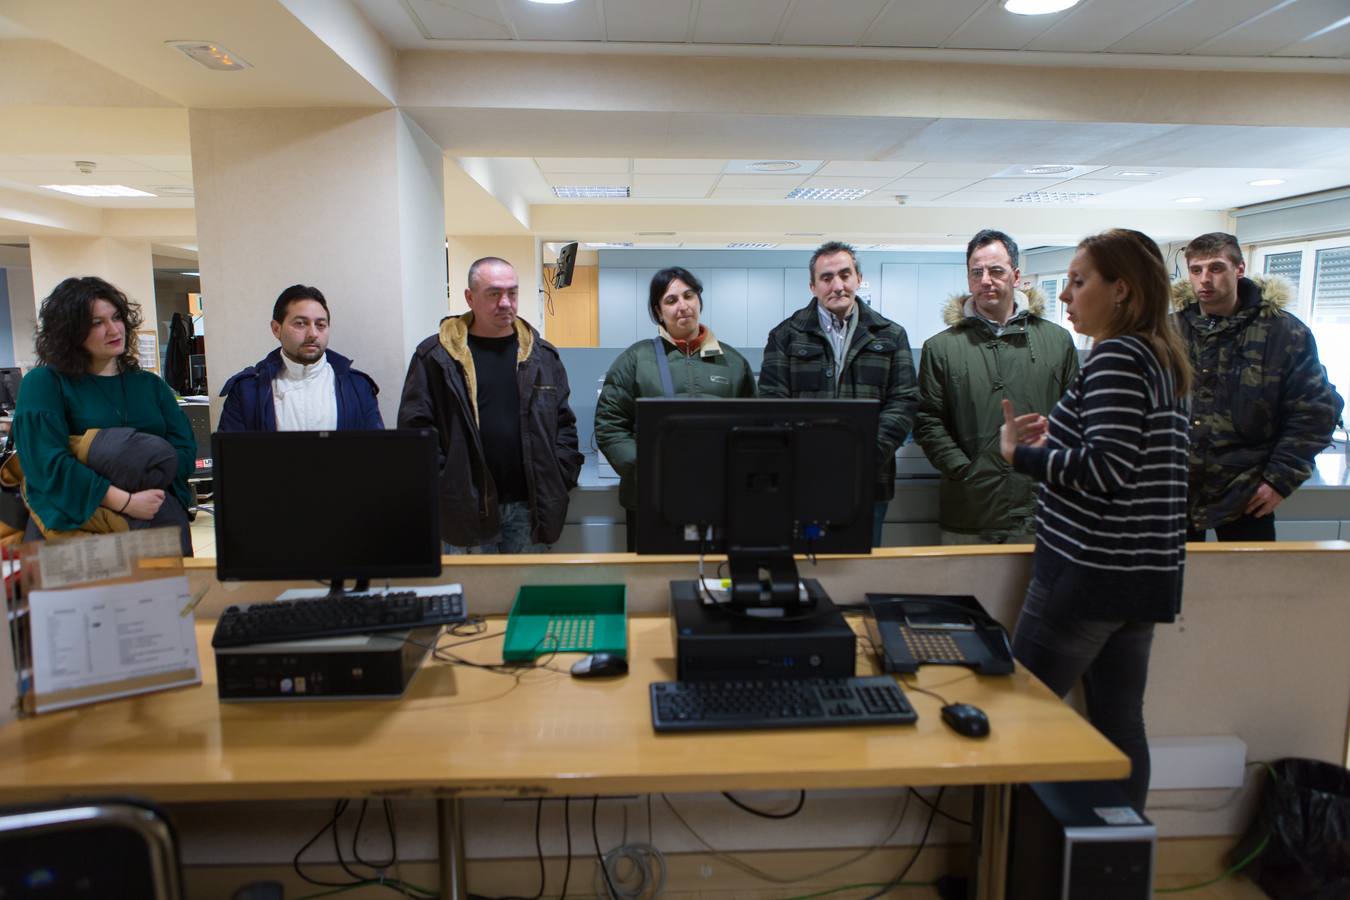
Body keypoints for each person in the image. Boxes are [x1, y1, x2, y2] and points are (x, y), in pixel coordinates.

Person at [1000, 229, 1191, 810]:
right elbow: (1131, 460)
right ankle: (1115, 860)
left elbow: (1106, 469)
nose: (1064, 297)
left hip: (1089, 575)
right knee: (1119, 725)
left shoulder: (1116, 354)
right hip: (1143, 577)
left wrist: (1020, 454)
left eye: (1079, 282)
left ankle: (1014, 866)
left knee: (1017, 715)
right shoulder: (1162, 355)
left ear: (1122, 291)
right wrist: (1064, 436)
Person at [398, 257, 582, 553]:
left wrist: (560, 475)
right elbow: (416, 430)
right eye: (494, 294)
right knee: (474, 596)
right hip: (464, 507)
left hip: (529, 507)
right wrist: (444, 484)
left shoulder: (543, 357)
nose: (506, 302)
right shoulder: (435, 357)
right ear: (470, 298)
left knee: (524, 594)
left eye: (513, 293)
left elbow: (564, 425)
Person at [1173, 232, 1342, 542]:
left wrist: (1280, 480)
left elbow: (1315, 411)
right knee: (1173, 588)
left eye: (1216, 268)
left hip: (1247, 492)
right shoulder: (1171, 331)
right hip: (1173, 492)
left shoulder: (1283, 332)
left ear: (1239, 269)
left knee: (1251, 587)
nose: (1205, 280)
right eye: (1196, 270)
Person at [915, 229, 1078, 544]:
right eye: (977, 272)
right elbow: (927, 420)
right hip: (971, 507)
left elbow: (1075, 416)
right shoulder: (941, 348)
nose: (986, 280)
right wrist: (964, 470)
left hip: (1042, 508)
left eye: (996, 271)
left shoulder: (1056, 341)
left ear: (1016, 276)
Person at [14, 276, 197, 555]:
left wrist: (147, 489)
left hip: (155, 516)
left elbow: (183, 449)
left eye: (116, 317)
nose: (113, 329)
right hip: (78, 527)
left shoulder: (149, 385)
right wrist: (124, 500)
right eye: (97, 323)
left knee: (163, 598)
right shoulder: (45, 383)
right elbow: (45, 464)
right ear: (70, 332)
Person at [759, 241, 918, 546]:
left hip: (869, 481)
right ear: (813, 286)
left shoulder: (890, 335)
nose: (838, 285)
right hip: (803, 481)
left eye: (845, 275)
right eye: (827, 278)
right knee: (805, 571)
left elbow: (904, 402)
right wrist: (812, 457)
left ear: (858, 278)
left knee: (860, 573)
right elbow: (772, 403)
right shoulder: (785, 336)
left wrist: (866, 454)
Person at [595, 267, 756, 551]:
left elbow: (754, 429)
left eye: (688, 296)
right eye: (670, 300)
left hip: (719, 496)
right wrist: (647, 469)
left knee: (715, 578)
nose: (682, 306)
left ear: (699, 301)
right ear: (658, 311)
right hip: (652, 496)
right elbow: (610, 426)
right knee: (650, 581)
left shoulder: (733, 363)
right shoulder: (635, 359)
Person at [218, 284, 383, 431]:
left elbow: (375, 456)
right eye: (300, 323)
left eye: (321, 325)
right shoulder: (247, 391)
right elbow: (233, 460)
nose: (313, 334)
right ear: (276, 329)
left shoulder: (358, 387)